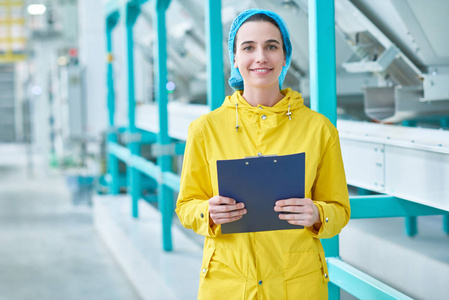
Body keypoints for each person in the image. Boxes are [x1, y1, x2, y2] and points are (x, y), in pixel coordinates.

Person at [176, 8, 350, 300]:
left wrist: (318, 213)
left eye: (271, 46)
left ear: (285, 56)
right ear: (234, 58)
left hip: (297, 285)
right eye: (248, 48)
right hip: (229, 283)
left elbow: (340, 209)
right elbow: (186, 206)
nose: (261, 57)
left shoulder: (319, 129)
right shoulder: (205, 129)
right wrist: (208, 211)